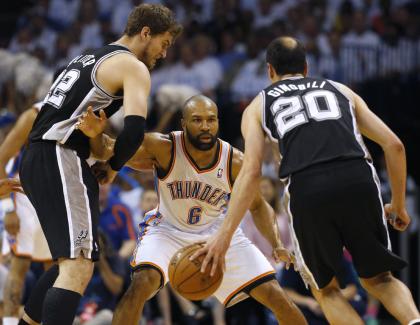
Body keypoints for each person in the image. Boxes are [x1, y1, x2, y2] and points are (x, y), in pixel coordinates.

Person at [193, 36, 420, 325]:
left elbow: (251, 173)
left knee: (325, 290)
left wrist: (222, 237)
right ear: (306, 66)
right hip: (358, 177)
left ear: (270, 71)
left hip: (307, 186)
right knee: (380, 279)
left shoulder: (257, 105)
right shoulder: (340, 89)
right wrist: (399, 205)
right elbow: (395, 145)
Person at [77, 94, 307, 325]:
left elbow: (258, 206)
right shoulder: (164, 147)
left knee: (277, 296)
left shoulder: (234, 161)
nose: (206, 126)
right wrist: (96, 133)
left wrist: (276, 243)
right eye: (197, 120)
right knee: (140, 285)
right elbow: (107, 149)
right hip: (168, 229)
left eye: (211, 119)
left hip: (217, 233)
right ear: (183, 124)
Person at [18, 4, 182, 325]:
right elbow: (134, 130)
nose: (163, 54)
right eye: (163, 43)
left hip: (39, 156)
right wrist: (114, 166)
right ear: (145, 33)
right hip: (60, 155)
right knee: (78, 265)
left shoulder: (89, 56)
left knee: (66, 265)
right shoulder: (132, 66)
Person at [0, 101, 53, 325]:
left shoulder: (85, 114)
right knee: (19, 265)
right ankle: (11, 322)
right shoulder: (35, 113)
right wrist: (8, 209)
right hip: (25, 196)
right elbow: (2, 160)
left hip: (57, 198)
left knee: (59, 268)